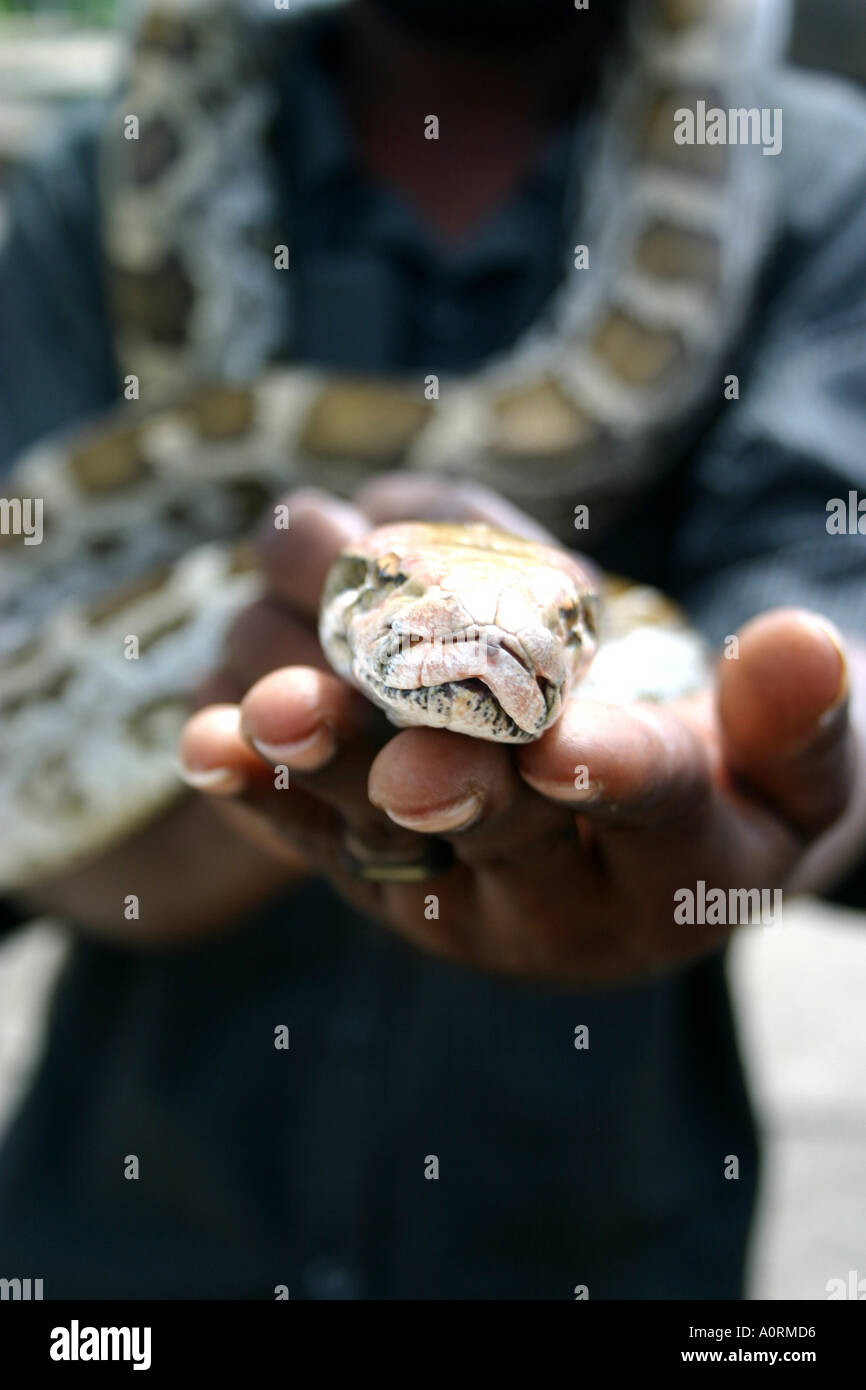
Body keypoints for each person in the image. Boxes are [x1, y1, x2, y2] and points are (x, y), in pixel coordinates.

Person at [0, 0, 864, 1299]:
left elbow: (821, 639)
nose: (463, 651)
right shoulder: (94, 179)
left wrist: (773, 794)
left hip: (591, 1244)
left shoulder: (821, 181)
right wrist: (233, 805)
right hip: (122, 1254)